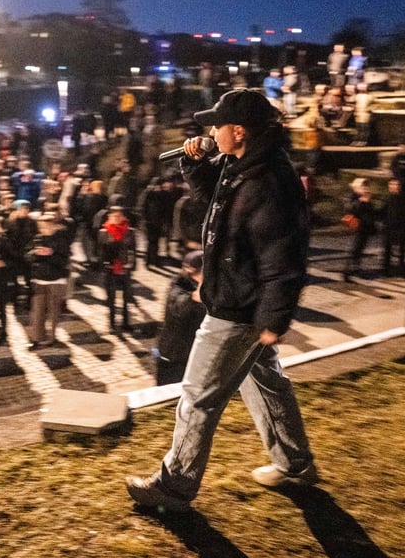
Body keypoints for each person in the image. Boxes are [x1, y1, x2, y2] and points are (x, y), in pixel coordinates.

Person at [126, 88, 317, 513]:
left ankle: (173, 487)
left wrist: (273, 318)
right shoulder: (244, 166)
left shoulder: (270, 182)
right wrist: (194, 164)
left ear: (238, 131)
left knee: (196, 396)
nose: (210, 131)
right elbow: (214, 208)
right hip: (240, 297)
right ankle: (296, 465)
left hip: (240, 308)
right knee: (267, 386)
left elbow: (283, 258)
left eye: (216, 125)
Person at [153, 250, 206, 386]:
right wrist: (198, 292)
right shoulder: (178, 284)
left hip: (192, 356)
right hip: (172, 357)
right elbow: (178, 307)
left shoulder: (205, 288)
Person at [27, 214, 72, 348]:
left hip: (56, 280)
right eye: (41, 227)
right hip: (39, 280)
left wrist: (51, 254)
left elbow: (64, 261)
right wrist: (34, 254)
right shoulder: (37, 239)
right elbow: (26, 256)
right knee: (37, 310)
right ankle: (37, 337)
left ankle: (52, 337)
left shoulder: (61, 240)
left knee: (53, 310)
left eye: (47, 226)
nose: (43, 229)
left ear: (53, 226)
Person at [98, 205, 137, 332]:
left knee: (126, 298)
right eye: (114, 216)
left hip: (125, 268)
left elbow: (132, 250)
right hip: (110, 269)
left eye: (119, 215)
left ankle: (126, 322)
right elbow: (101, 251)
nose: (117, 218)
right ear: (109, 217)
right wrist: (106, 264)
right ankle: (112, 323)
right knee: (111, 298)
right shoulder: (104, 232)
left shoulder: (129, 231)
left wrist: (130, 264)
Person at [343, 178, 378, 282]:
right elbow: (350, 209)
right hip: (357, 227)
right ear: (357, 186)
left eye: (366, 186)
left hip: (365, 227)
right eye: (363, 186)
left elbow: (371, 212)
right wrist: (361, 201)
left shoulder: (366, 197)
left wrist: (367, 201)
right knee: (354, 249)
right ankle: (347, 272)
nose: (365, 188)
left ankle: (356, 268)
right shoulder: (353, 196)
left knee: (360, 249)